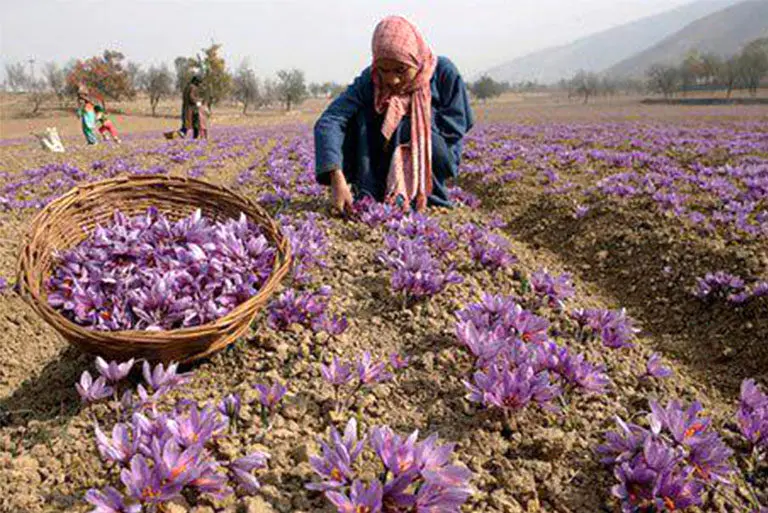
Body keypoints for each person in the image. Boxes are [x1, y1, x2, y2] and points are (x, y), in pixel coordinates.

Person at [314, 15, 474, 214]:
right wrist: (336, 175)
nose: (392, 80)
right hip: (382, 156)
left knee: (404, 120)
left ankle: (423, 195)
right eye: (383, 70)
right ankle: (370, 189)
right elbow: (331, 120)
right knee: (359, 115)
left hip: (435, 155)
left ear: (416, 59)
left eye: (401, 69)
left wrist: (411, 122)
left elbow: (456, 125)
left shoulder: (442, 72)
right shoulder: (370, 79)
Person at [179, 75, 207, 139]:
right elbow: (192, 98)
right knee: (195, 125)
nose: (200, 84)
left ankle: (179, 136)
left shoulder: (187, 87)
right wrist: (199, 103)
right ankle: (195, 139)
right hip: (192, 110)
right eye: (199, 82)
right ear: (196, 82)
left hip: (185, 108)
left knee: (186, 125)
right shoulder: (193, 87)